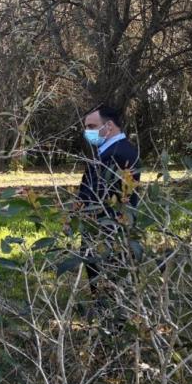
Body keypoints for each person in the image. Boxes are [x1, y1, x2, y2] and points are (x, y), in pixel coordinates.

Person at [76, 104, 141, 299]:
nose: (87, 131)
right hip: (105, 224)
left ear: (109, 126)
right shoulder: (111, 150)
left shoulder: (117, 153)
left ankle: (111, 319)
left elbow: (101, 191)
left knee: (109, 275)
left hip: (108, 225)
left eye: (92, 126)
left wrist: (86, 210)